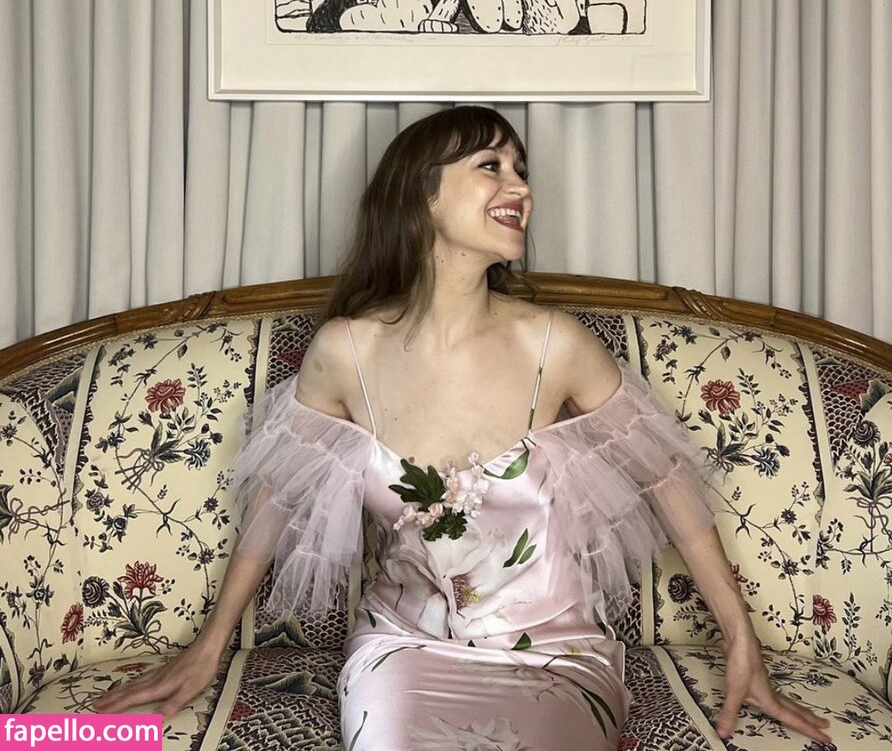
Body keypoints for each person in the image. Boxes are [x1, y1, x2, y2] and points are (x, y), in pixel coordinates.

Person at [94, 106, 830, 748]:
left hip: (555, 655)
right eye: (491, 166)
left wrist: (742, 641)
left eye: (521, 170)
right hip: (404, 651)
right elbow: (279, 499)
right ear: (422, 197)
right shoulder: (345, 353)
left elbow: (668, 481)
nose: (521, 188)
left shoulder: (554, 345)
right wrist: (209, 646)